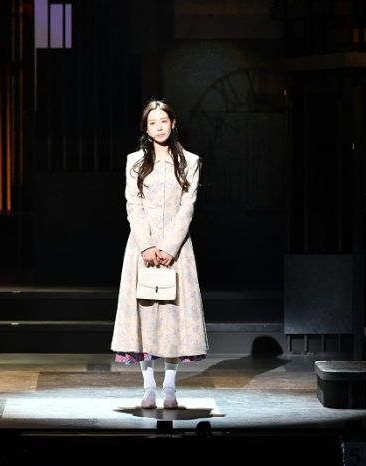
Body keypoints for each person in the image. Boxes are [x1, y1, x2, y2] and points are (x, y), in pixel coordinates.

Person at [111, 99, 208, 409]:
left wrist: (168, 246)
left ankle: (170, 387)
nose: (159, 127)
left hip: (177, 251)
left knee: (172, 317)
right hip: (142, 249)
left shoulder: (189, 161)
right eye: (152, 123)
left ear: (173, 123)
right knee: (144, 317)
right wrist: (147, 245)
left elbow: (187, 207)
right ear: (146, 128)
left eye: (163, 121)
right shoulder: (135, 162)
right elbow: (133, 205)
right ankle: (148, 387)